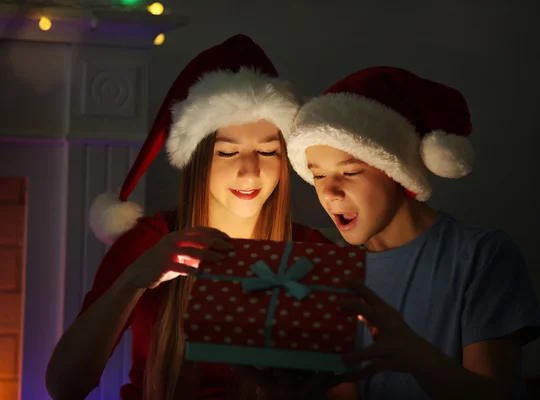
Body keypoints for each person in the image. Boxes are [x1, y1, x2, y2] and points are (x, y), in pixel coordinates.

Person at [45, 34, 338, 400]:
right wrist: (134, 280)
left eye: (267, 151)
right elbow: (64, 385)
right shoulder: (151, 243)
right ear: (197, 160)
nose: (250, 172)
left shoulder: (310, 252)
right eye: (228, 153)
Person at [286, 66, 540, 399]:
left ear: (398, 171)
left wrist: (415, 356)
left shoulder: (480, 255)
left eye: (349, 172)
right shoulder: (334, 272)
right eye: (318, 176)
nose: (329, 193)